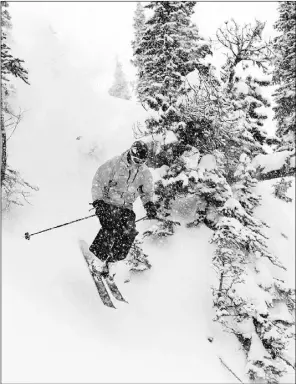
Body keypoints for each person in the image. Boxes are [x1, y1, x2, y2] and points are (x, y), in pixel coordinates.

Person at [89, 140, 158, 276]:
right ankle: (97, 260)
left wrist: (149, 204)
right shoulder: (114, 164)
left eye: (141, 161)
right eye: (136, 159)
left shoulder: (144, 173)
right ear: (131, 154)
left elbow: (147, 192)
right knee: (111, 226)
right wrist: (98, 202)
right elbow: (97, 182)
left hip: (126, 206)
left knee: (129, 233)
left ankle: (112, 262)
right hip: (108, 203)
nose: (138, 163)